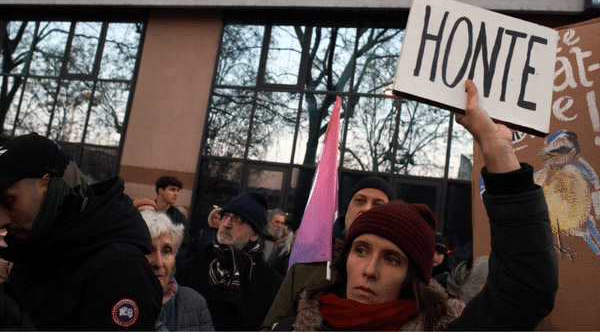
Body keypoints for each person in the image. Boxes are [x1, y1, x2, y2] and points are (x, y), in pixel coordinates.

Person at [271, 80, 558, 331]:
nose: (369, 270)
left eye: (392, 259)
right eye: (361, 250)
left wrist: (495, 146)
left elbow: (525, 289)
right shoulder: (291, 328)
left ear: (412, 279)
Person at [0, 133, 162, 330]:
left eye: (9, 202)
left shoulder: (121, 270)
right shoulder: (34, 250)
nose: (2, 220)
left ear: (47, 182)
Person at [261, 176, 397, 330]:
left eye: (378, 204)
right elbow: (270, 326)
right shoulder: (307, 264)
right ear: (347, 210)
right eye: (360, 201)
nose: (366, 209)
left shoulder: (397, 273)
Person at [176, 188, 284, 331]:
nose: (226, 224)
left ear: (254, 235)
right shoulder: (189, 268)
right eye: (226, 215)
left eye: (238, 219)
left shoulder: (273, 285)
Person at [140, 210, 214, 331]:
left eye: (167, 250)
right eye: (148, 250)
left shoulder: (195, 303)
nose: (158, 262)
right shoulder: (114, 301)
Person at [155, 176, 189, 264]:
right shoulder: (147, 210)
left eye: (177, 190)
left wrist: (173, 262)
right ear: (160, 191)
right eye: (172, 190)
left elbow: (184, 244)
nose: (176, 193)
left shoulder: (179, 217)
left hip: (168, 264)